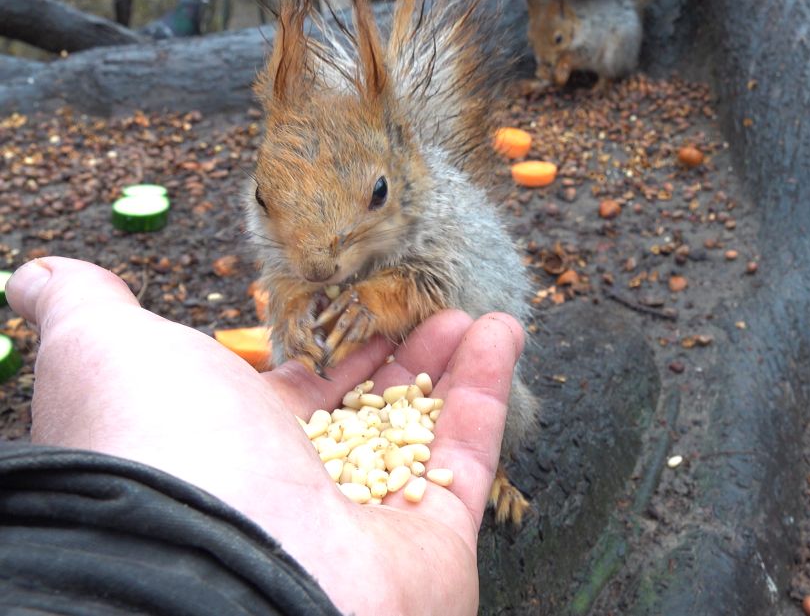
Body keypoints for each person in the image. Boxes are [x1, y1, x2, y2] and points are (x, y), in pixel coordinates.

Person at [0, 257, 522, 615]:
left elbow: (436, 288)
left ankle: (498, 470)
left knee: (477, 371)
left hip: (403, 375)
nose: (317, 259)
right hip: (338, 406)